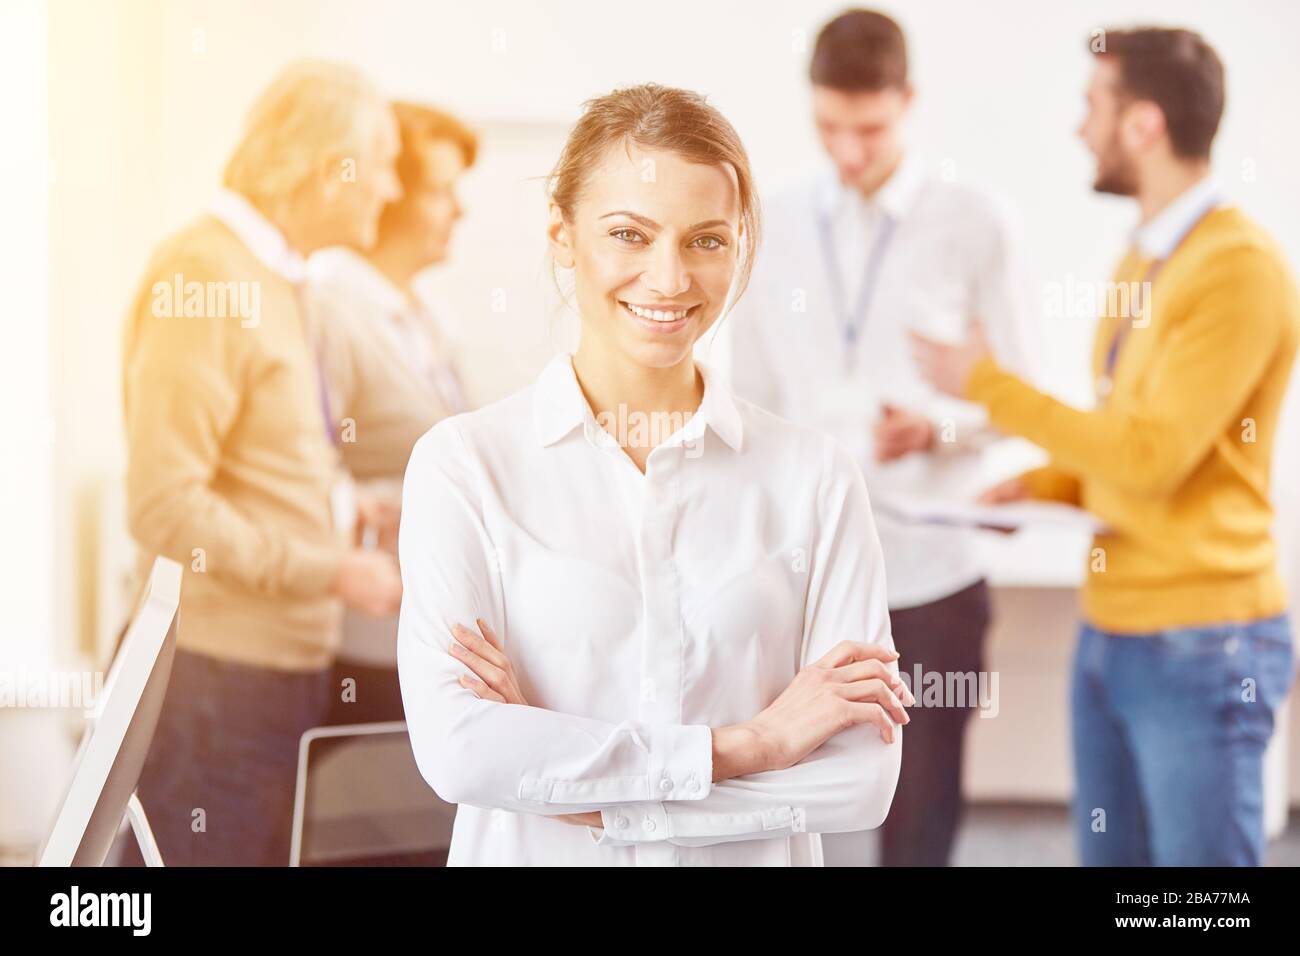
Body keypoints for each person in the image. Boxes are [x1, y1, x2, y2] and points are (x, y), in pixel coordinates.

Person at [397, 82, 912, 867]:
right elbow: (463, 753)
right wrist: (755, 743)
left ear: (740, 245)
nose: (669, 279)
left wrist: (575, 783)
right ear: (563, 237)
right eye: (630, 235)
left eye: (706, 240)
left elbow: (857, 784)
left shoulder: (814, 479)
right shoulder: (464, 466)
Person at [912, 27, 1300, 866]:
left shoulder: (1239, 271)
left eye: (1094, 105)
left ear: (1143, 125)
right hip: (1113, 629)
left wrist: (985, 383)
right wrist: (1046, 487)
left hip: (1201, 640)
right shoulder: (1145, 258)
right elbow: (1128, 432)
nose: (1078, 126)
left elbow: (1151, 454)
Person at [728, 8, 1037, 866]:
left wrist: (938, 427)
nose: (850, 152)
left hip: (933, 573)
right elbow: (746, 401)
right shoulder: (774, 222)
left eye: (870, 128)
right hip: (801, 572)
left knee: (921, 809)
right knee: (782, 797)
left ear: (910, 101)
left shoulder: (976, 222)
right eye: (830, 128)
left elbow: (1020, 401)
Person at [119, 61, 404, 866]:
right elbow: (166, 504)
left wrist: (353, 514)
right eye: (379, 163)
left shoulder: (283, 284)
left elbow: (261, 467)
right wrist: (335, 572)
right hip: (213, 681)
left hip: (273, 677)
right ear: (325, 168)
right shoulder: (203, 276)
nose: (388, 189)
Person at [306, 102, 479, 726]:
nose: (458, 210)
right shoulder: (329, 304)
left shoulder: (426, 314)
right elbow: (304, 467)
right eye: (440, 191)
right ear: (389, 193)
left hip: (421, 627)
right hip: (363, 639)